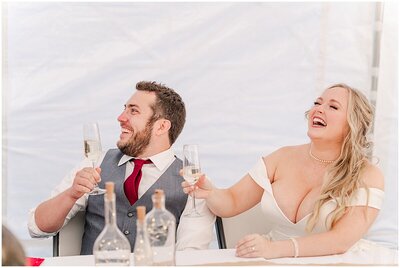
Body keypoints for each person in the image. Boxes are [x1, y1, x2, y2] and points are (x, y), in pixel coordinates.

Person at [183, 83, 388, 259]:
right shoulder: (281, 158)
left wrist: (274, 249)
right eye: (317, 103)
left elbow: (340, 240)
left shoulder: (367, 175)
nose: (318, 109)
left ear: (353, 124)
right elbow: (231, 202)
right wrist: (209, 192)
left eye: (333, 106)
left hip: (334, 262)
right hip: (274, 261)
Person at [28, 81, 215, 254]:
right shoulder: (94, 163)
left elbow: (191, 255)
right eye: (124, 109)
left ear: (161, 127)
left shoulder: (194, 185)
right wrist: (71, 194)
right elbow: (37, 227)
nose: (120, 118)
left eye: (133, 111)